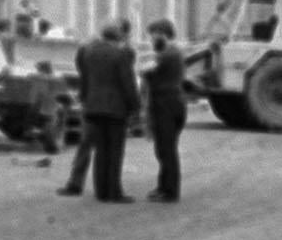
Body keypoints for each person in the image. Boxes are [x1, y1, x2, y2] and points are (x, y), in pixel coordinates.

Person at [60, 22, 140, 201]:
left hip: (93, 107)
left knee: (100, 151)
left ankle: (101, 191)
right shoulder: (121, 55)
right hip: (115, 108)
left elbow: (84, 77)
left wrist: (85, 99)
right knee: (115, 151)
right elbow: (127, 83)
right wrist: (135, 106)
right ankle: (114, 192)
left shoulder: (88, 52)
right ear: (118, 37)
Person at [142, 19, 187, 201]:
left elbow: (148, 70)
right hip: (173, 103)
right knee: (164, 148)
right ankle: (163, 186)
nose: (151, 38)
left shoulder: (168, 54)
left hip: (165, 105)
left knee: (166, 149)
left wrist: (144, 71)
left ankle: (169, 191)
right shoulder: (173, 52)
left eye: (153, 34)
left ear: (162, 33)